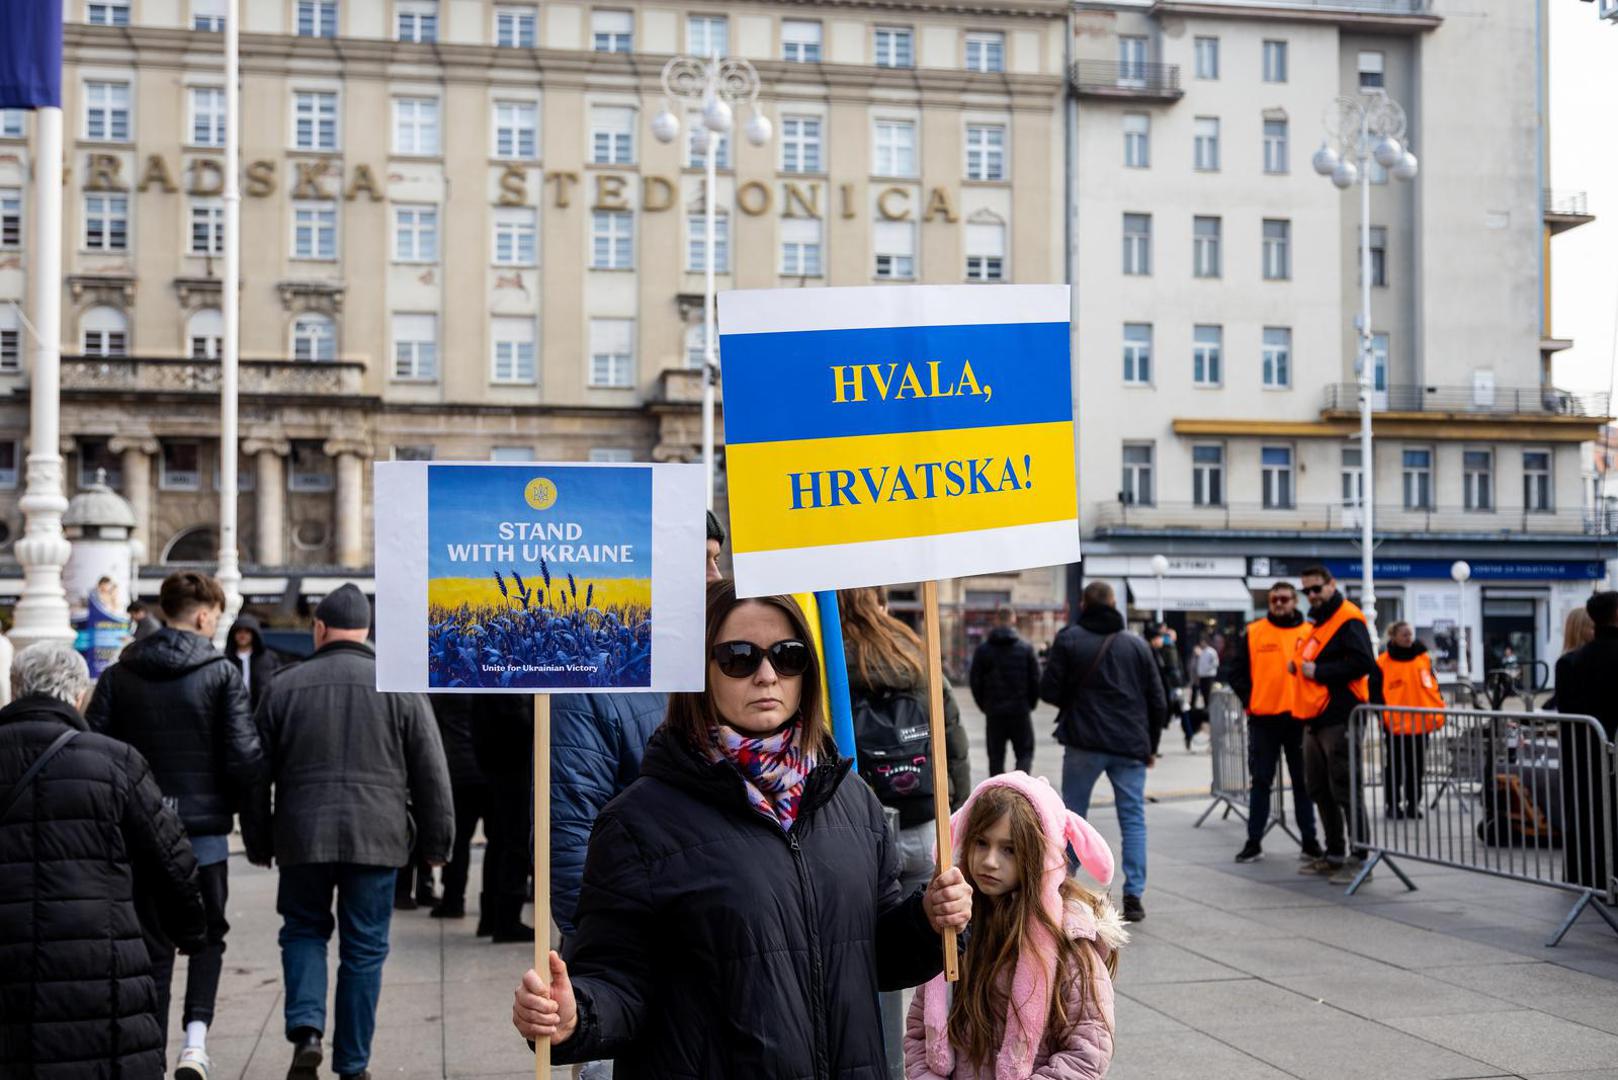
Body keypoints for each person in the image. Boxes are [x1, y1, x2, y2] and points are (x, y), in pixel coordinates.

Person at [509, 580, 972, 1075]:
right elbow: (618, 979)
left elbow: (873, 956)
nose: (767, 675)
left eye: (788, 655)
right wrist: (575, 1014)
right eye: (739, 657)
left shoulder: (851, 799)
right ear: (700, 670)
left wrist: (928, 921)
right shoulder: (637, 822)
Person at [246, 583, 454, 1080]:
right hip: (377, 839)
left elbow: (254, 775)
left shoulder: (283, 686)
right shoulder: (399, 685)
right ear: (366, 632)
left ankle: (307, 1031)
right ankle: (354, 1064)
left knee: (303, 930)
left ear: (318, 628)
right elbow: (431, 771)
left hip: (302, 836)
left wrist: (258, 840)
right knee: (364, 950)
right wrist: (437, 844)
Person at [0, 643, 209, 1080]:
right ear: (80, 696)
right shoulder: (115, 760)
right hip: (101, 962)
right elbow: (171, 858)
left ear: (16, 689)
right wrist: (190, 930)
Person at [86, 570, 264, 1079]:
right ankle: (195, 1043)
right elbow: (246, 758)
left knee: (151, 942)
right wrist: (253, 829)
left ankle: (150, 1054)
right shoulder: (221, 673)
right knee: (208, 936)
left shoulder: (121, 675)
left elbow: (95, 744)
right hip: (204, 835)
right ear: (205, 615)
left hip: (137, 835)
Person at [549, 509, 726, 940]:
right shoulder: (593, 685)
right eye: (701, 560)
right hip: (639, 949)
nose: (714, 575)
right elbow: (571, 840)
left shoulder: (719, 667)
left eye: (717, 559)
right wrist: (606, 951)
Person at [904, 772, 1124, 1080]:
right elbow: (919, 1031)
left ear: (1040, 856)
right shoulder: (954, 924)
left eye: (1009, 849)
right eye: (981, 843)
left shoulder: (1069, 940)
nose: (990, 861)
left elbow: (1086, 1052)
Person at [1041, 581, 1165, 923]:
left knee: (1070, 818)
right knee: (1133, 818)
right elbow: (1158, 699)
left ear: (1084, 603)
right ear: (1113, 604)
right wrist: (1150, 746)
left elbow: (1048, 689)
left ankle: (1063, 885)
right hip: (1129, 745)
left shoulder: (1069, 639)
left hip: (1083, 741)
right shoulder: (1137, 645)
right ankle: (1134, 893)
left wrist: (1075, 699)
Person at [840, 584, 971, 896]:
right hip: (928, 821)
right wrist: (954, 809)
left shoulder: (830, 664)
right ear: (883, 606)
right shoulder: (917, 656)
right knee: (927, 929)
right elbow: (954, 741)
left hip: (865, 828)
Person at [1289, 565, 1376, 885]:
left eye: (1316, 589)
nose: (1311, 595)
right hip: (1316, 718)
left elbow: (1363, 662)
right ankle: (1335, 852)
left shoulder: (1348, 618)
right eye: (1307, 591)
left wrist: (1318, 672)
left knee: (1345, 787)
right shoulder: (1320, 622)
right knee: (1319, 787)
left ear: (1331, 585)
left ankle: (1359, 855)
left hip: (1340, 716)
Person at [1227, 582, 1321, 865]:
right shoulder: (1254, 632)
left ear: (1295, 602)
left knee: (1304, 783)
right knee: (1261, 782)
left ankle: (1310, 841)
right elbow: (1237, 673)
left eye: (1284, 599)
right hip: (1264, 719)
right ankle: (1253, 842)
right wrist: (1250, 699)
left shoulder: (1310, 633)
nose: (1279, 604)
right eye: (1273, 600)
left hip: (1299, 719)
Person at [1552, 590, 1618, 893]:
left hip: (1583, 755)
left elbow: (1567, 712)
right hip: (1607, 751)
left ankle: (1586, 876)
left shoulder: (1571, 663)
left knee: (1588, 814)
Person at [423, 694, 489, 920]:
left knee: (458, 840)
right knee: (499, 843)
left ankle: (453, 900)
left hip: (457, 770)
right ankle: (491, 909)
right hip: (489, 768)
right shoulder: (490, 685)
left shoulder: (447, 689)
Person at [1372, 621, 1445, 821]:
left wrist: (1438, 710)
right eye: (1404, 634)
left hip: (1421, 725)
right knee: (1394, 767)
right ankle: (1392, 804)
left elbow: (1433, 687)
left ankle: (1414, 804)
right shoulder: (1382, 663)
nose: (1408, 637)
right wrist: (1381, 718)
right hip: (1394, 726)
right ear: (1393, 636)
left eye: (1410, 634)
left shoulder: (1423, 658)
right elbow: (1375, 694)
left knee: (1417, 767)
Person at [968, 604, 1042, 776]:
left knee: (995, 758)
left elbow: (975, 681)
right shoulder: (1026, 649)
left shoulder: (983, 650)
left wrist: (984, 705)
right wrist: (1029, 704)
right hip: (1020, 710)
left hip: (994, 712)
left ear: (996, 620)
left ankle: (998, 795)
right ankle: (1019, 789)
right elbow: (1035, 680)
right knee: (1024, 753)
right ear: (1013, 620)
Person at [227, 611, 283, 713]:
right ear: (233, 634)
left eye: (247, 632)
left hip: (261, 710)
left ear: (254, 634)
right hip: (233, 711)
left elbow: (278, 682)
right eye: (239, 632)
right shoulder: (226, 660)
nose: (242, 635)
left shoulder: (268, 658)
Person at [1149, 627, 1189, 750]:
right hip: (1169, 684)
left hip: (1170, 684)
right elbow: (1172, 667)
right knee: (1172, 708)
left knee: (1176, 707)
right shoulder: (1164, 650)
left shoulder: (1168, 648)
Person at [1191, 637, 1219, 711]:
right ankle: (1202, 706)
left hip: (1209, 675)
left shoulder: (1211, 651)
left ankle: (1208, 707)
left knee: (1207, 692)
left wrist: (1207, 669)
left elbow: (1215, 663)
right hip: (1201, 675)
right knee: (1200, 691)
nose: (1202, 644)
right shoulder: (1201, 651)